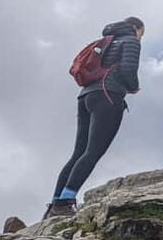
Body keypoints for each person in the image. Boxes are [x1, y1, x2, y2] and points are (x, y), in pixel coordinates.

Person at [44, 17, 145, 218]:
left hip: (86, 96)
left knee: (79, 152)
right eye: (142, 33)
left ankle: (55, 204)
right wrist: (133, 87)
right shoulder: (131, 40)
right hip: (108, 95)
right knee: (93, 152)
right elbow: (128, 69)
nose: (142, 37)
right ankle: (64, 203)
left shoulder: (108, 39)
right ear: (136, 28)